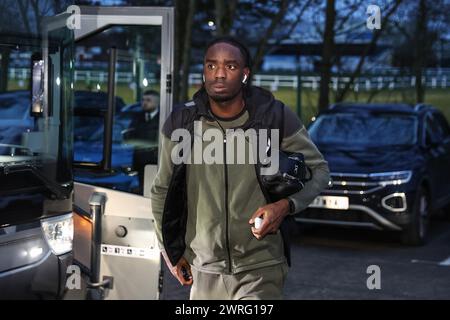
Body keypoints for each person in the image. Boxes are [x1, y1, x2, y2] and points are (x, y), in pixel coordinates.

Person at [150, 36, 330, 300]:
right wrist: (171, 252)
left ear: (245, 74)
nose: (219, 74)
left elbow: (320, 171)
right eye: (211, 66)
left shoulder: (273, 116)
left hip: (260, 267)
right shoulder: (181, 122)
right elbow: (161, 191)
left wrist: (286, 205)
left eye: (230, 67)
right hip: (204, 269)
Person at [128, 90, 160, 193]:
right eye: (143, 100)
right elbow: (130, 137)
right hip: (140, 163)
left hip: (156, 162)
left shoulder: (163, 118)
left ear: (156, 102)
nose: (144, 103)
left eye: (148, 100)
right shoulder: (137, 117)